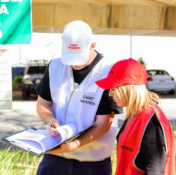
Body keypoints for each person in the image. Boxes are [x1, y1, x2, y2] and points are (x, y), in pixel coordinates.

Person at [35, 20, 123, 175]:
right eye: (70, 57)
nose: (74, 64)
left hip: (93, 163)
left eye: (79, 57)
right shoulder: (55, 66)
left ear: (92, 45)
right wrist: (50, 120)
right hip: (55, 158)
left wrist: (76, 144)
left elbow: (105, 122)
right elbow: (42, 104)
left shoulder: (108, 70)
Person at [95, 58, 176, 175]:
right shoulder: (133, 113)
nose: (110, 94)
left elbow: (155, 170)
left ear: (130, 89)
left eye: (114, 88)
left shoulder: (151, 121)